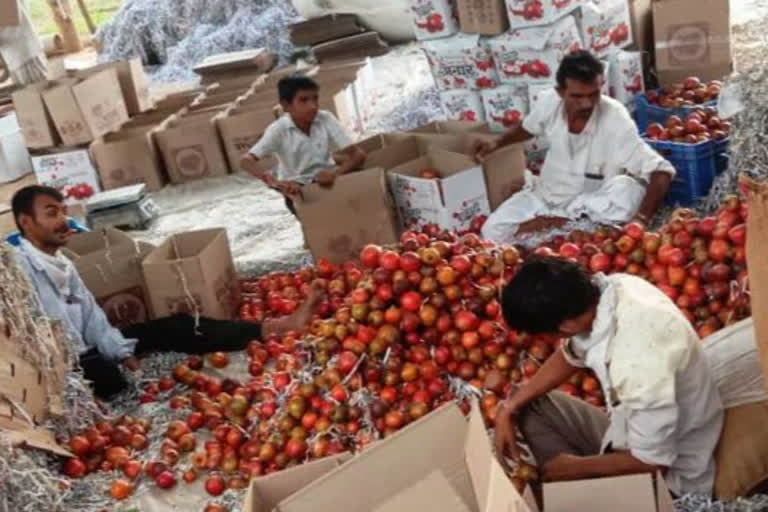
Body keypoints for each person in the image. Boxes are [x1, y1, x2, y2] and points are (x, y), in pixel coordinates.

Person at [11, 185, 323, 399]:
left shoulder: (61, 261)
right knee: (111, 384)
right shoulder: (19, 272)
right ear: (26, 222)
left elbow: (91, 314)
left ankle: (277, 327)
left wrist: (118, 349)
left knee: (179, 325)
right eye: (52, 213)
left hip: (88, 347)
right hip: (60, 365)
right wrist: (99, 360)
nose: (63, 221)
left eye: (63, 211)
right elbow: (51, 336)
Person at [496, 258, 723, 500]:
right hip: (625, 433)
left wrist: (576, 467)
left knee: (566, 486)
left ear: (566, 325)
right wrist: (510, 407)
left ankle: (565, 491)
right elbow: (571, 354)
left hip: (667, 480)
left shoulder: (637, 361)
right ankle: (560, 486)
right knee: (530, 403)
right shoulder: (610, 292)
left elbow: (653, 464)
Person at [474, 51, 676, 243]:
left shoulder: (615, 116)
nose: (587, 104)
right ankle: (555, 227)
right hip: (544, 199)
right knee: (492, 230)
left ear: (601, 86)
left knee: (628, 191)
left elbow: (661, 170)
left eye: (594, 94)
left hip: (588, 206)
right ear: (561, 92)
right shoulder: (549, 103)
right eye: (577, 97)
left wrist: (641, 220)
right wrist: (496, 143)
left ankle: (566, 227)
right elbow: (528, 128)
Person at [240, 75, 367, 215]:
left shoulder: (325, 118)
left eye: (315, 98)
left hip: (328, 178)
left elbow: (358, 154)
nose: (313, 106)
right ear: (286, 105)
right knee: (318, 228)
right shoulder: (278, 130)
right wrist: (277, 183)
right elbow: (246, 161)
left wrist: (335, 175)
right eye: (303, 100)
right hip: (297, 188)